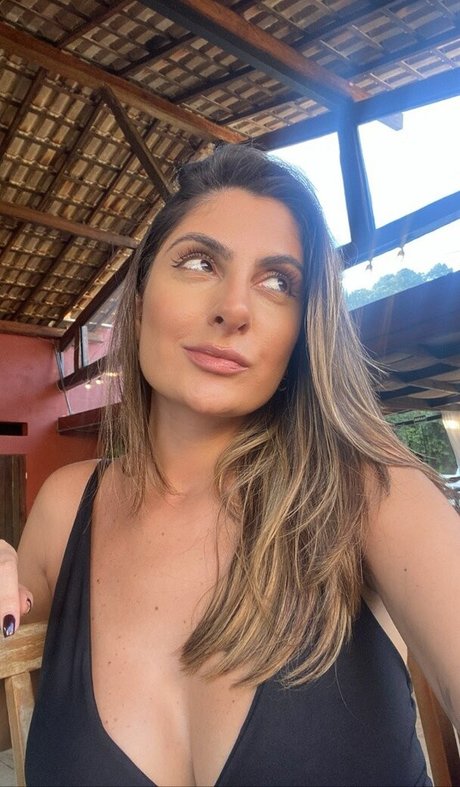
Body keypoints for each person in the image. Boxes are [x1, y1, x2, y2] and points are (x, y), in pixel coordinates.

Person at [1, 144, 459, 787]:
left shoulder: (375, 494)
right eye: (199, 262)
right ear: (140, 298)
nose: (234, 309)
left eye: (278, 282)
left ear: (303, 330)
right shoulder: (64, 506)